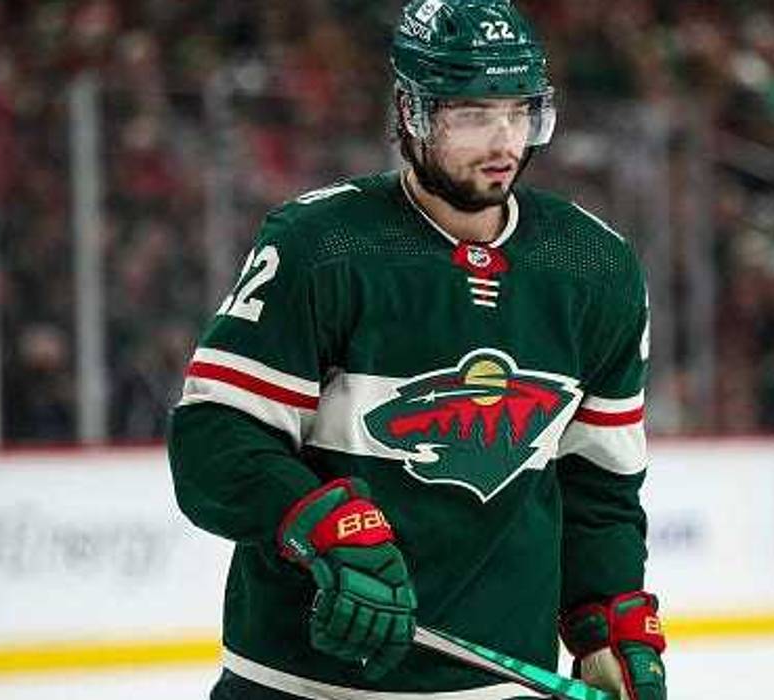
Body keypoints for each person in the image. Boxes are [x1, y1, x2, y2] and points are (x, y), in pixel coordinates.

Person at [167, 1, 667, 698]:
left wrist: (604, 621)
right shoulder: (321, 247)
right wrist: (321, 524)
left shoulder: (593, 267)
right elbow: (213, 441)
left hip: (494, 685)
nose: (502, 142)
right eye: (469, 113)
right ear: (410, 112)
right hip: (299, 682)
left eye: (518, 110)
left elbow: (598, 486)